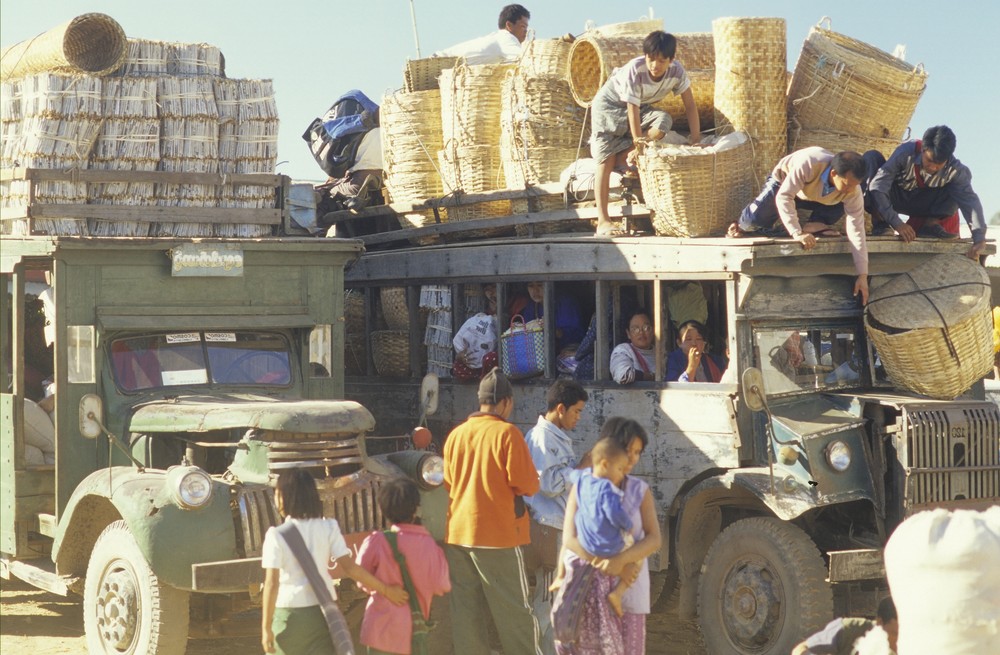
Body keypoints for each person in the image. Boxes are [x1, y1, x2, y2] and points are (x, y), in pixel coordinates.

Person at [442, 368, 543, 655]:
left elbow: (448, 483)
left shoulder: (456, 435)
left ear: (480, 401)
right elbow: (526, 485)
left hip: (458, 534)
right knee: (515, 613)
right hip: (498, 536)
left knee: (466, 614)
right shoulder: (508, 434)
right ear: (507, 402)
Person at [261, 469, 408, 655]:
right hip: (323, 614)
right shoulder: (328, 527)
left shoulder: (276, 535)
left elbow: (271, 584)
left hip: (289, 616)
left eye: (277, 493)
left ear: (284, 498)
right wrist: (386, 590)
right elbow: (351, 568)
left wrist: (266, 628)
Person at [553, 417, 660, 654]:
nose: (632, 458)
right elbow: (569, 538)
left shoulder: (639, 490)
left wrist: (621, 561)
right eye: (628, 450)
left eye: (638, 452)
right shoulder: (582, 486)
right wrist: (605, 565)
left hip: (630, 592)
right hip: (587, 590)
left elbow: (654, 539)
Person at [590, 31, 701, 236]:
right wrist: (639, 143)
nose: (655, 65)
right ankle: (603, 220)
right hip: (609, 107)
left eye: (661, 60)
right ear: (645, 56)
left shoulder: (677, 72)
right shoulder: (635, 69)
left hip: (640, 108)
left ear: (671, 60)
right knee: (604, 160)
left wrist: (696, 141)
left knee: (664, 120)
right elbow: (631, 109)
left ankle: (627, 155)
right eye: (651, 59)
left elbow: (690, 106)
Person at [728, 148, 870, 305]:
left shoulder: (852, 190)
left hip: (819, 198)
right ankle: (741, 223)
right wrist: (797, 233)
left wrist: (862, 274)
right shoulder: (810, 162)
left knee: (849, 201)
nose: (851, 190)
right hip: (784, 186)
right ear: (834, 174)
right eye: (847, 184)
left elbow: (856, 228)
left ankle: (814, 223)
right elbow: (784, 196)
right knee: (752, 222)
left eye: (855, 185)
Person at [524, 379, 590, 655]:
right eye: (576, 412)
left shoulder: (553, 436)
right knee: (547, 603)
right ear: (560, 409)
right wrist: (582, 466)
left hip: (558, 528)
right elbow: (548, 485)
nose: (578, 418)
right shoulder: (542, 438)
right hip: (547, 530)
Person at [356, 477, 451, 655]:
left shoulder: (376, 541)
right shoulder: (430, 546)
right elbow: (441, 585)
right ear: (416, 509)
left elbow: (361, 580)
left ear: (384, 510)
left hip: (378, 631)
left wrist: (382, 588)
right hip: (412, 634)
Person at [866, 125, 987, 260]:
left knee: (960, 187)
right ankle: (881, 223)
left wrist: (979, 237)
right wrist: (897, 223)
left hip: (925, 205)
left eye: (938, 164)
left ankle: (929, 225)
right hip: (895, 199)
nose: (933, 167)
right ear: (923, 149)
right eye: (929, 160)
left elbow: (970, 202)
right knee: (871, 158)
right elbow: (879, 186)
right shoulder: (905, 152)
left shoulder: (956, 170)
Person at [790, 596, 898, 655]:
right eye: (895, 634)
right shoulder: (850, 630)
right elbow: (800, 650)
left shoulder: (912, 645)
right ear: (880, 622)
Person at [433, 4, 530, 66]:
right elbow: (525, 61)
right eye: (523, 26)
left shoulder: (496, 37)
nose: (526, 31)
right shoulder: (507, 38)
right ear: (509, 25)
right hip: (437, 66)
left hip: (438, 61)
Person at [508, 281, 584, 348]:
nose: (535, 291)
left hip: (569, 351)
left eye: (540, 285)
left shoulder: (566, 302)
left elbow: (577, 336)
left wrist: (553, 329)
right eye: (531, 286)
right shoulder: (531, 306)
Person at [452, 283, 499, 380]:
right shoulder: (483, 314)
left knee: (492, 358)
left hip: (495, 362)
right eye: (487, 289)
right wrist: (461, 356)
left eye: (494, 287)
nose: (491, 293)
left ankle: (486, 378)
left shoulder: (515, 306)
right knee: (457, 367)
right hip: (478, 365)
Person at [610, 310, 655, 384]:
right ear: (628, 334)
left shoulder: (661, 353)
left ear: (653, 330)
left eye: (646, 328)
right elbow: (622, 375)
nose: (641, 332)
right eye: (635, 329)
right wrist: (650, 376)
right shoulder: (623, 350)